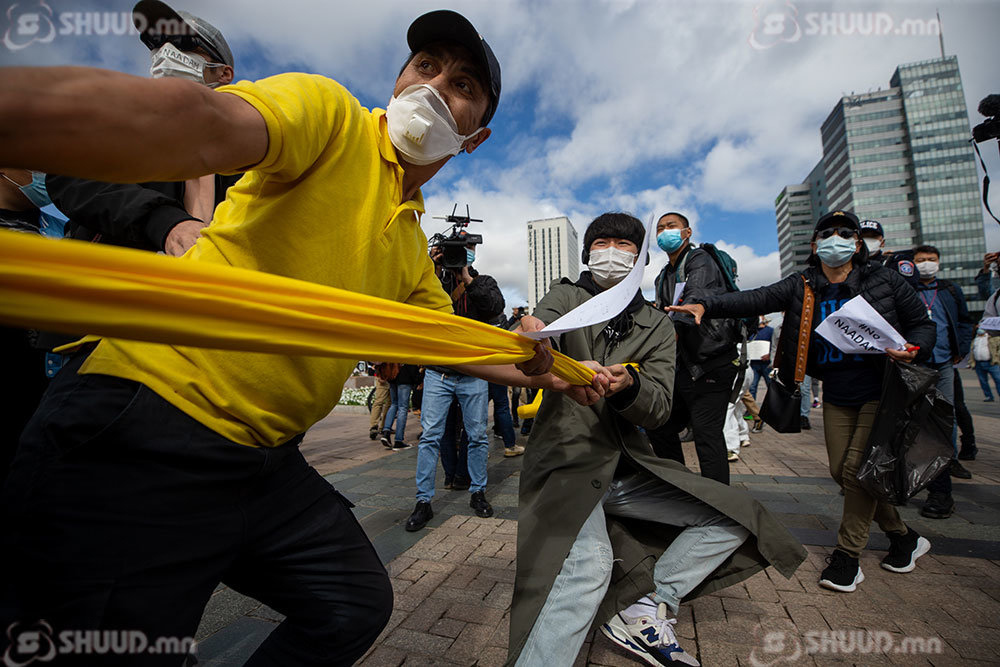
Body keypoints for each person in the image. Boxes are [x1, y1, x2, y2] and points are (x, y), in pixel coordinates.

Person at [0, 10, 609, 664]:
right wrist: (28, 111)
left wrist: (558, 371)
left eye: (462, 85)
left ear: (476, 136)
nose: (435, 86)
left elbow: (463, 345)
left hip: (262, 461)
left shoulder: (410, 246)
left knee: (351, 604)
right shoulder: (330, 116)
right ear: (399, 81)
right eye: (425, 66)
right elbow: (202, 121)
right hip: (148, 419)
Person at [508, 213, 806, 666]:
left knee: (738, 517)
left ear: (641, 258)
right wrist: (531, 337)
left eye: (624, 244)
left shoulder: (656, 324)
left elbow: (660, 409)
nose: (611, 251)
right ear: (587, 253)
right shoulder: (565, 296)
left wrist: (629, 386)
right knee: (588, 567)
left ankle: (645, 601)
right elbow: (537, 330)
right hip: (565, 459)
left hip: (626, 465)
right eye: (601, 242)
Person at [670, 210, 936, 594]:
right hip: (837, 392)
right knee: (842, 472)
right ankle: (903, 536)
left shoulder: (884, 279)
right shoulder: (804, 284)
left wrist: (916, 348)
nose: (836, 239)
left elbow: (922, 324)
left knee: (855, 471)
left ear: (856, 243)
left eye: (845, 233)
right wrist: (705, 305)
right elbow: (754, 298)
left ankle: (847, 556)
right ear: (814, 244)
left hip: (880, 389)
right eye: (827, 233)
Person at [47, 0, 240, 256]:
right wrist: (163, 221)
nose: (165, 52)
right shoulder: (118, 120)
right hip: (107, 274)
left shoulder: (242, 159)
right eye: (156, 43)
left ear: (223, 73)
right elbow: (71, 176)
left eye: (182, 43)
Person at [649, 212, 741, 485]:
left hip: (711, 360)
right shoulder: (663, 275)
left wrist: (670, 330)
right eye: (660, 228)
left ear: (687, 232)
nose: (665, 232)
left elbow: (695, 295)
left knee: (706, 433)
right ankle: (679, 486)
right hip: (683, 365)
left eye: (671, 226)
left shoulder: (700, 259)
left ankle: (717, 500)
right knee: (659, 424)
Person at [912, 244, 975, 515]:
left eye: (931, 259)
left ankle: (947, 467)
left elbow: (963, 321)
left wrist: (961, 348)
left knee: (946, 416)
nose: (926, 263)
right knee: (916, 421)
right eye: (921, 259)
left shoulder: (950, 290)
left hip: (945, 361)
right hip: (915, 363)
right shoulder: (908, 289)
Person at [380, 363, 420, 449]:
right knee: (403, 408)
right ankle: (398, 440)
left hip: (393, 377)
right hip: (405, 378)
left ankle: (386, 432)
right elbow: (411, 365)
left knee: (394, 404)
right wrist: (418, 379)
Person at [973, 329, 1000, 404]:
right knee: (983, 381)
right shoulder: (975, 339)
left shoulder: (991, 338)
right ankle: (988, 396)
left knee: (998, 379)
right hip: (978, 363)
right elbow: (972, 350)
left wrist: (997, 357)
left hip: (991, 363)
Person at [749, 316, 773, 399]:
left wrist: (770, 355)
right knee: (752, 387)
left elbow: (774, 345)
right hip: (753, 364)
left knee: (771, 386)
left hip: (767, 365)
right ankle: (752, 407)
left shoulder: (770, 331)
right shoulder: (752, 331)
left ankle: (771, 405)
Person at [369, 362, 394, 440]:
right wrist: (379, 374)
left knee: (390, 404)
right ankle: (374, 426)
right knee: (379, 401)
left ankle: (384, 426)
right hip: (383, 376)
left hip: (393, 376)